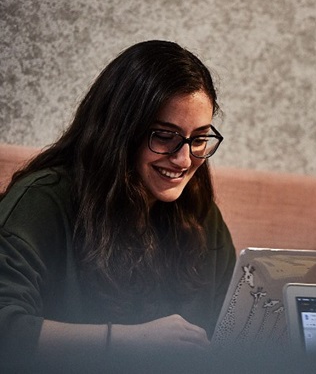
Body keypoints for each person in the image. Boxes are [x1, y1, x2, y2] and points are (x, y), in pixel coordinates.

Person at [0, 40, 236, 370]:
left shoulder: (200, 215)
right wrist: (126, 342)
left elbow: (231, 333)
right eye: (163, 136)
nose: (184, 159)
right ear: (120, 131)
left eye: (198, 139)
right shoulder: (43, 201)